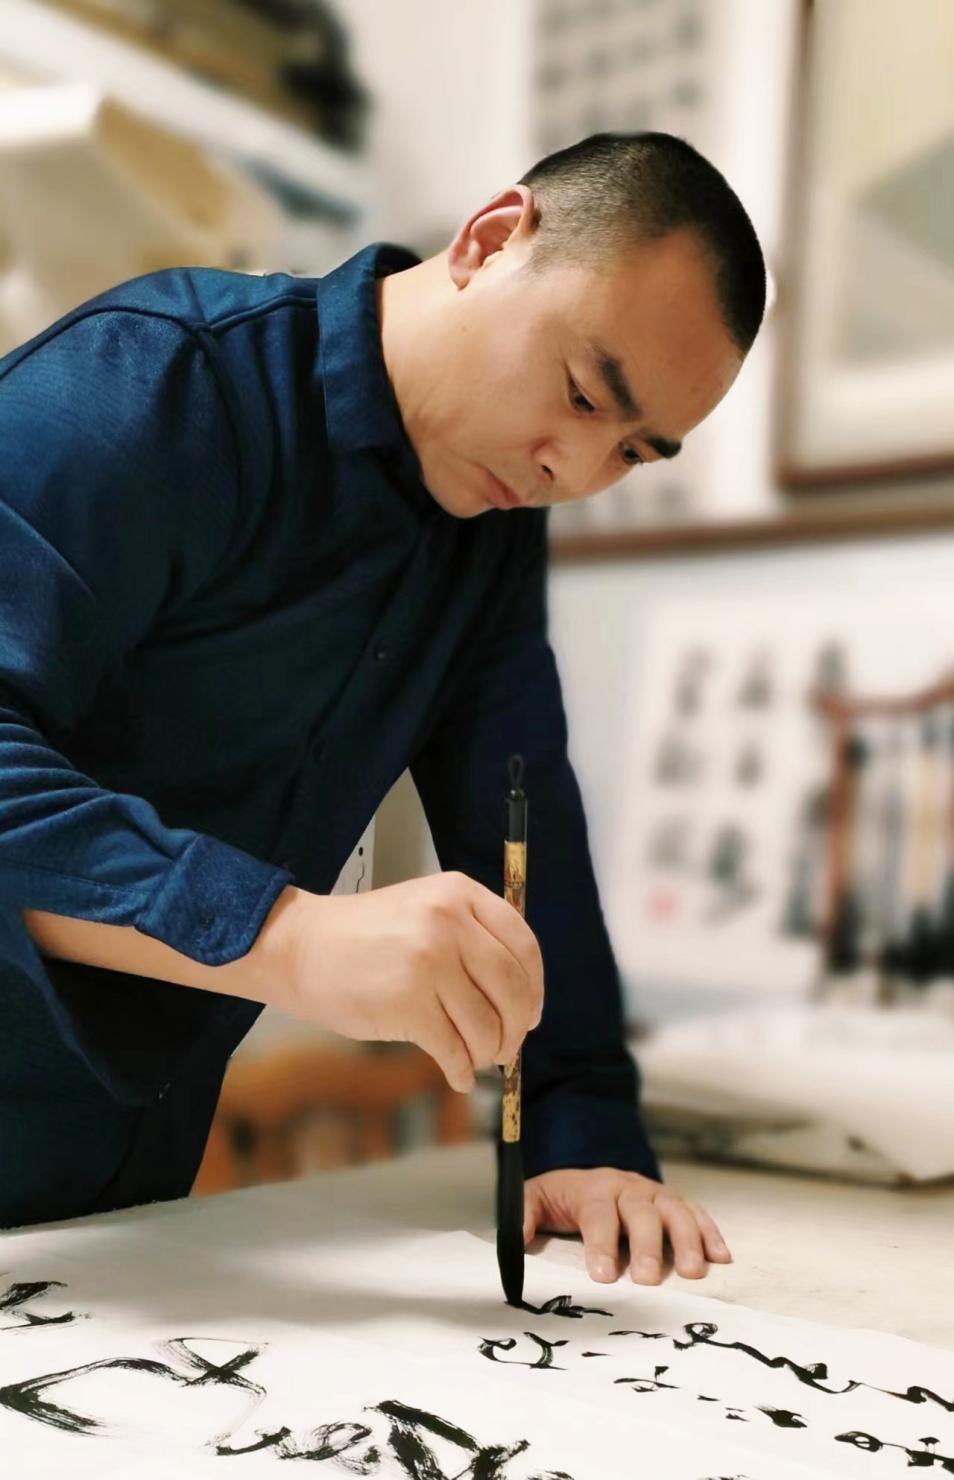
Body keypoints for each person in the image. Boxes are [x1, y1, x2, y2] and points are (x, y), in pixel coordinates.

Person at [0, 131, 764, 1284]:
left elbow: (523, 827)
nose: (573, 470)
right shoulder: (156, 384)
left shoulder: (489, 530)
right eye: (579, 394)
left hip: (111, 1204)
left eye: (632, 452)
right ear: (491, 240)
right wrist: (286, 937)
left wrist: (584, 1128)